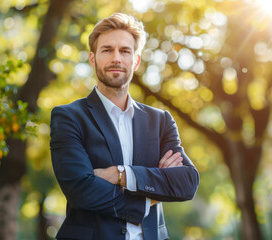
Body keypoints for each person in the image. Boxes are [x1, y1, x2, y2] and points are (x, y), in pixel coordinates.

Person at [50, 13, 199, 240]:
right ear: (93, 59)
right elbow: (82, 191)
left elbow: (187, 183)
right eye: (107, 50)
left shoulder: (161, 121)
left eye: (125, 51)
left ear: (136, 61)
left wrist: (122, 175)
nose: (116, 58)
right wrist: (153, 193)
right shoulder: (69, 117)